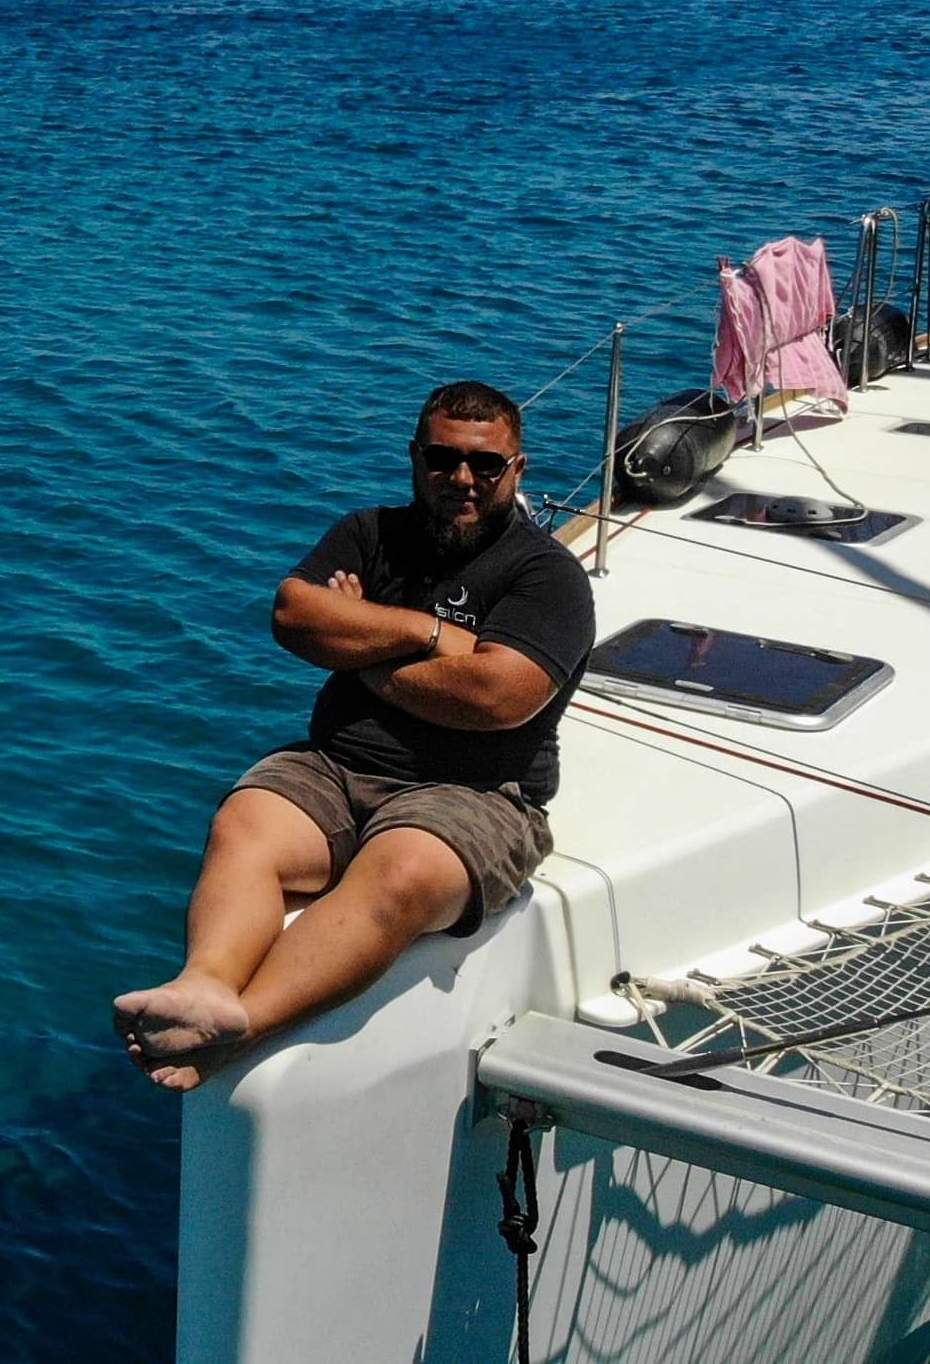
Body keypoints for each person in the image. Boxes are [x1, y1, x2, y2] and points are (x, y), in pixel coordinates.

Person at [114, 379, 596, 1090]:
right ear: (414, 457)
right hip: (338, 765)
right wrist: (429, 634)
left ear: (516, 470)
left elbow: (496, 696)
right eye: (443, 458)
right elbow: (293, 614)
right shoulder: (369, 533)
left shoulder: (546, 575)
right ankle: (205, 985)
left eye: (485, 465)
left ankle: (242, 1027)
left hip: (476, 792)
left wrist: (358, 645)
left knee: (399, 872)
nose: (462, 479)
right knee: (245, 823)